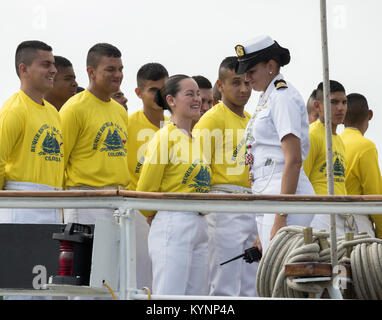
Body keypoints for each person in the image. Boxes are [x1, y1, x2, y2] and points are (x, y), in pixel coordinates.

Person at [235, 35, 315, 253]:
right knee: (273, 276)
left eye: (251, 71)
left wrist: (281, 215)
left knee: (282, 273)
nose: (247, 78)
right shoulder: (267, 97)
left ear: (271, 66)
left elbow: (294, 160)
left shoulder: (282, 96)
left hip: (283, 192)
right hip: (268, 192)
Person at [136, 74, 211, 296]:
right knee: (169, 296)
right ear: (171, 100)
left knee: (197, 298)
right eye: (189, 94)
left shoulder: (195, 139)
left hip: (199, 224)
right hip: (173, 222)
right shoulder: (163, 137)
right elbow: (145, 188)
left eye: (198, 93)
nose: (197, 99)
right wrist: (153, 214)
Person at [0, 40, 63, 300]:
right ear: (23, 69)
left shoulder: (53, 112)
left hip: (53, 204)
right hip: (21, 204)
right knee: (22, 291)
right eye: (46, 64)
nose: (53, 70)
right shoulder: (14, 109)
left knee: (46, 291)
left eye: (54, 64)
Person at [193, 56, 256, 297]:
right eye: (236, 83)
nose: (243, 89)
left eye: (248, 83)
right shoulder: (211, 119)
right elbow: (200, 168)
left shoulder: (252, 121)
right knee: (224, 281)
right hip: (223, 203)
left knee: (252, 283)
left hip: (252, 202)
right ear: (220, 85)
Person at [60, 43, 129, 225]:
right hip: (86, 201)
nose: (118, 75)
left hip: (118, 200)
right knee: (85, 255)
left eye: (120, 69)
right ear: (91, 72)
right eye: (111, 69)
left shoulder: (120, 111)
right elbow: (59, 163)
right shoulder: (74, 109)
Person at [126, 62, 169, 290]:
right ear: (138, 93)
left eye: (164, 88)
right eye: (154, 90)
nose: (160, 95)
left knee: (164, 279)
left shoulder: (176, 127)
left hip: (169, 212)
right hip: (137, 211)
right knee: (140, 278)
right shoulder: (126, 124)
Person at [303, 80, 352, 236]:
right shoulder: (311, 135)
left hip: (340, 213)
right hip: (319, 213)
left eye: (344, 102)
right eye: (334, 102)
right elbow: (300, 179)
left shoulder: (338, 140)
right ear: (317, 106)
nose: (340, 108)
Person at [340, 93, 381, 237]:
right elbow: (374, 194)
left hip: (331, 219)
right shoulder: (366, 147)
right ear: (369, 115)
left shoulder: (334, 143)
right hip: (357, 224)